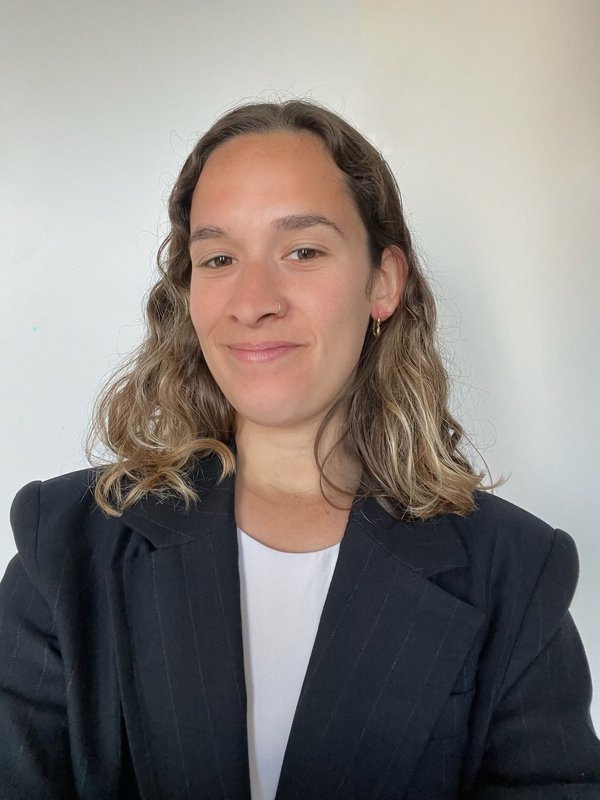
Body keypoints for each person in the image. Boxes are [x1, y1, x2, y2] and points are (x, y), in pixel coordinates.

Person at [0, 99, 599, 800]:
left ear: (383, 282)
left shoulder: (515, 571)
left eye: (303, 251)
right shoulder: (65, 543)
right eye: (219, 258)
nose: (252, 300)